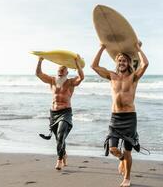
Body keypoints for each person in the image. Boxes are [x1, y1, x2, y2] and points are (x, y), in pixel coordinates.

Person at [91, 42, 149, 187]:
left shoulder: (134, 77)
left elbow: (145, 64)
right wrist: (102, 48)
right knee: (113, 149)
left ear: (128, 63)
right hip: (115, 118)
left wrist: (137, 48)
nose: (122, 62)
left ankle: (127, 178)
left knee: (128, 151)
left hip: (129, 118)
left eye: (124, 60)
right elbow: (94, 66)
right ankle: (121, 159)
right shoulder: (111, 76)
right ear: (116, 62)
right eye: (120, 60)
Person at [36, 55, 84, 170]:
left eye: (63, 70)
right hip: (53, 113)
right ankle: (64, 154)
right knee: (59, 139)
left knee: (61, 134)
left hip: (65, 112)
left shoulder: (71, 82)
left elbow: (81, 77)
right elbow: (38, 74)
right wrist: (40, 61)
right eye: (59, 70)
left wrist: (77, 63)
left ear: (67, 73)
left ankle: (59, 160)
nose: (61, 71)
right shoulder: (52, 80)